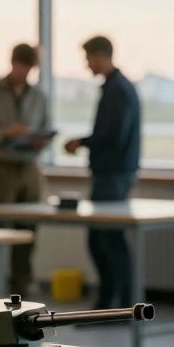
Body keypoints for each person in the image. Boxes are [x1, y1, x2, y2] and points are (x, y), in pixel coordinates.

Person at [0, 43, 52, 297]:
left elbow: (46, 127)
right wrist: (4, 133)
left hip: (29, 168)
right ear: (13, 63)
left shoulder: (39, 96)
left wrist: (39, 139)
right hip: (0, 168)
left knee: (28, 233)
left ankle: (21, 289)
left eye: (30, 69)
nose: (25, 74)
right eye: (22, 68)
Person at [64, 35, 141, 308]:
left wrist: (81, 142)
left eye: (88, 58)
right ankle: (119, 302)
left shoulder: (117, 90)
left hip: (113, 175)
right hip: (115, 174)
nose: (87, 65)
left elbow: (113, 136)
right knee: (109, 239)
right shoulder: (118, 88)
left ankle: (113, 303)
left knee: (104, 240)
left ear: (101, 56)